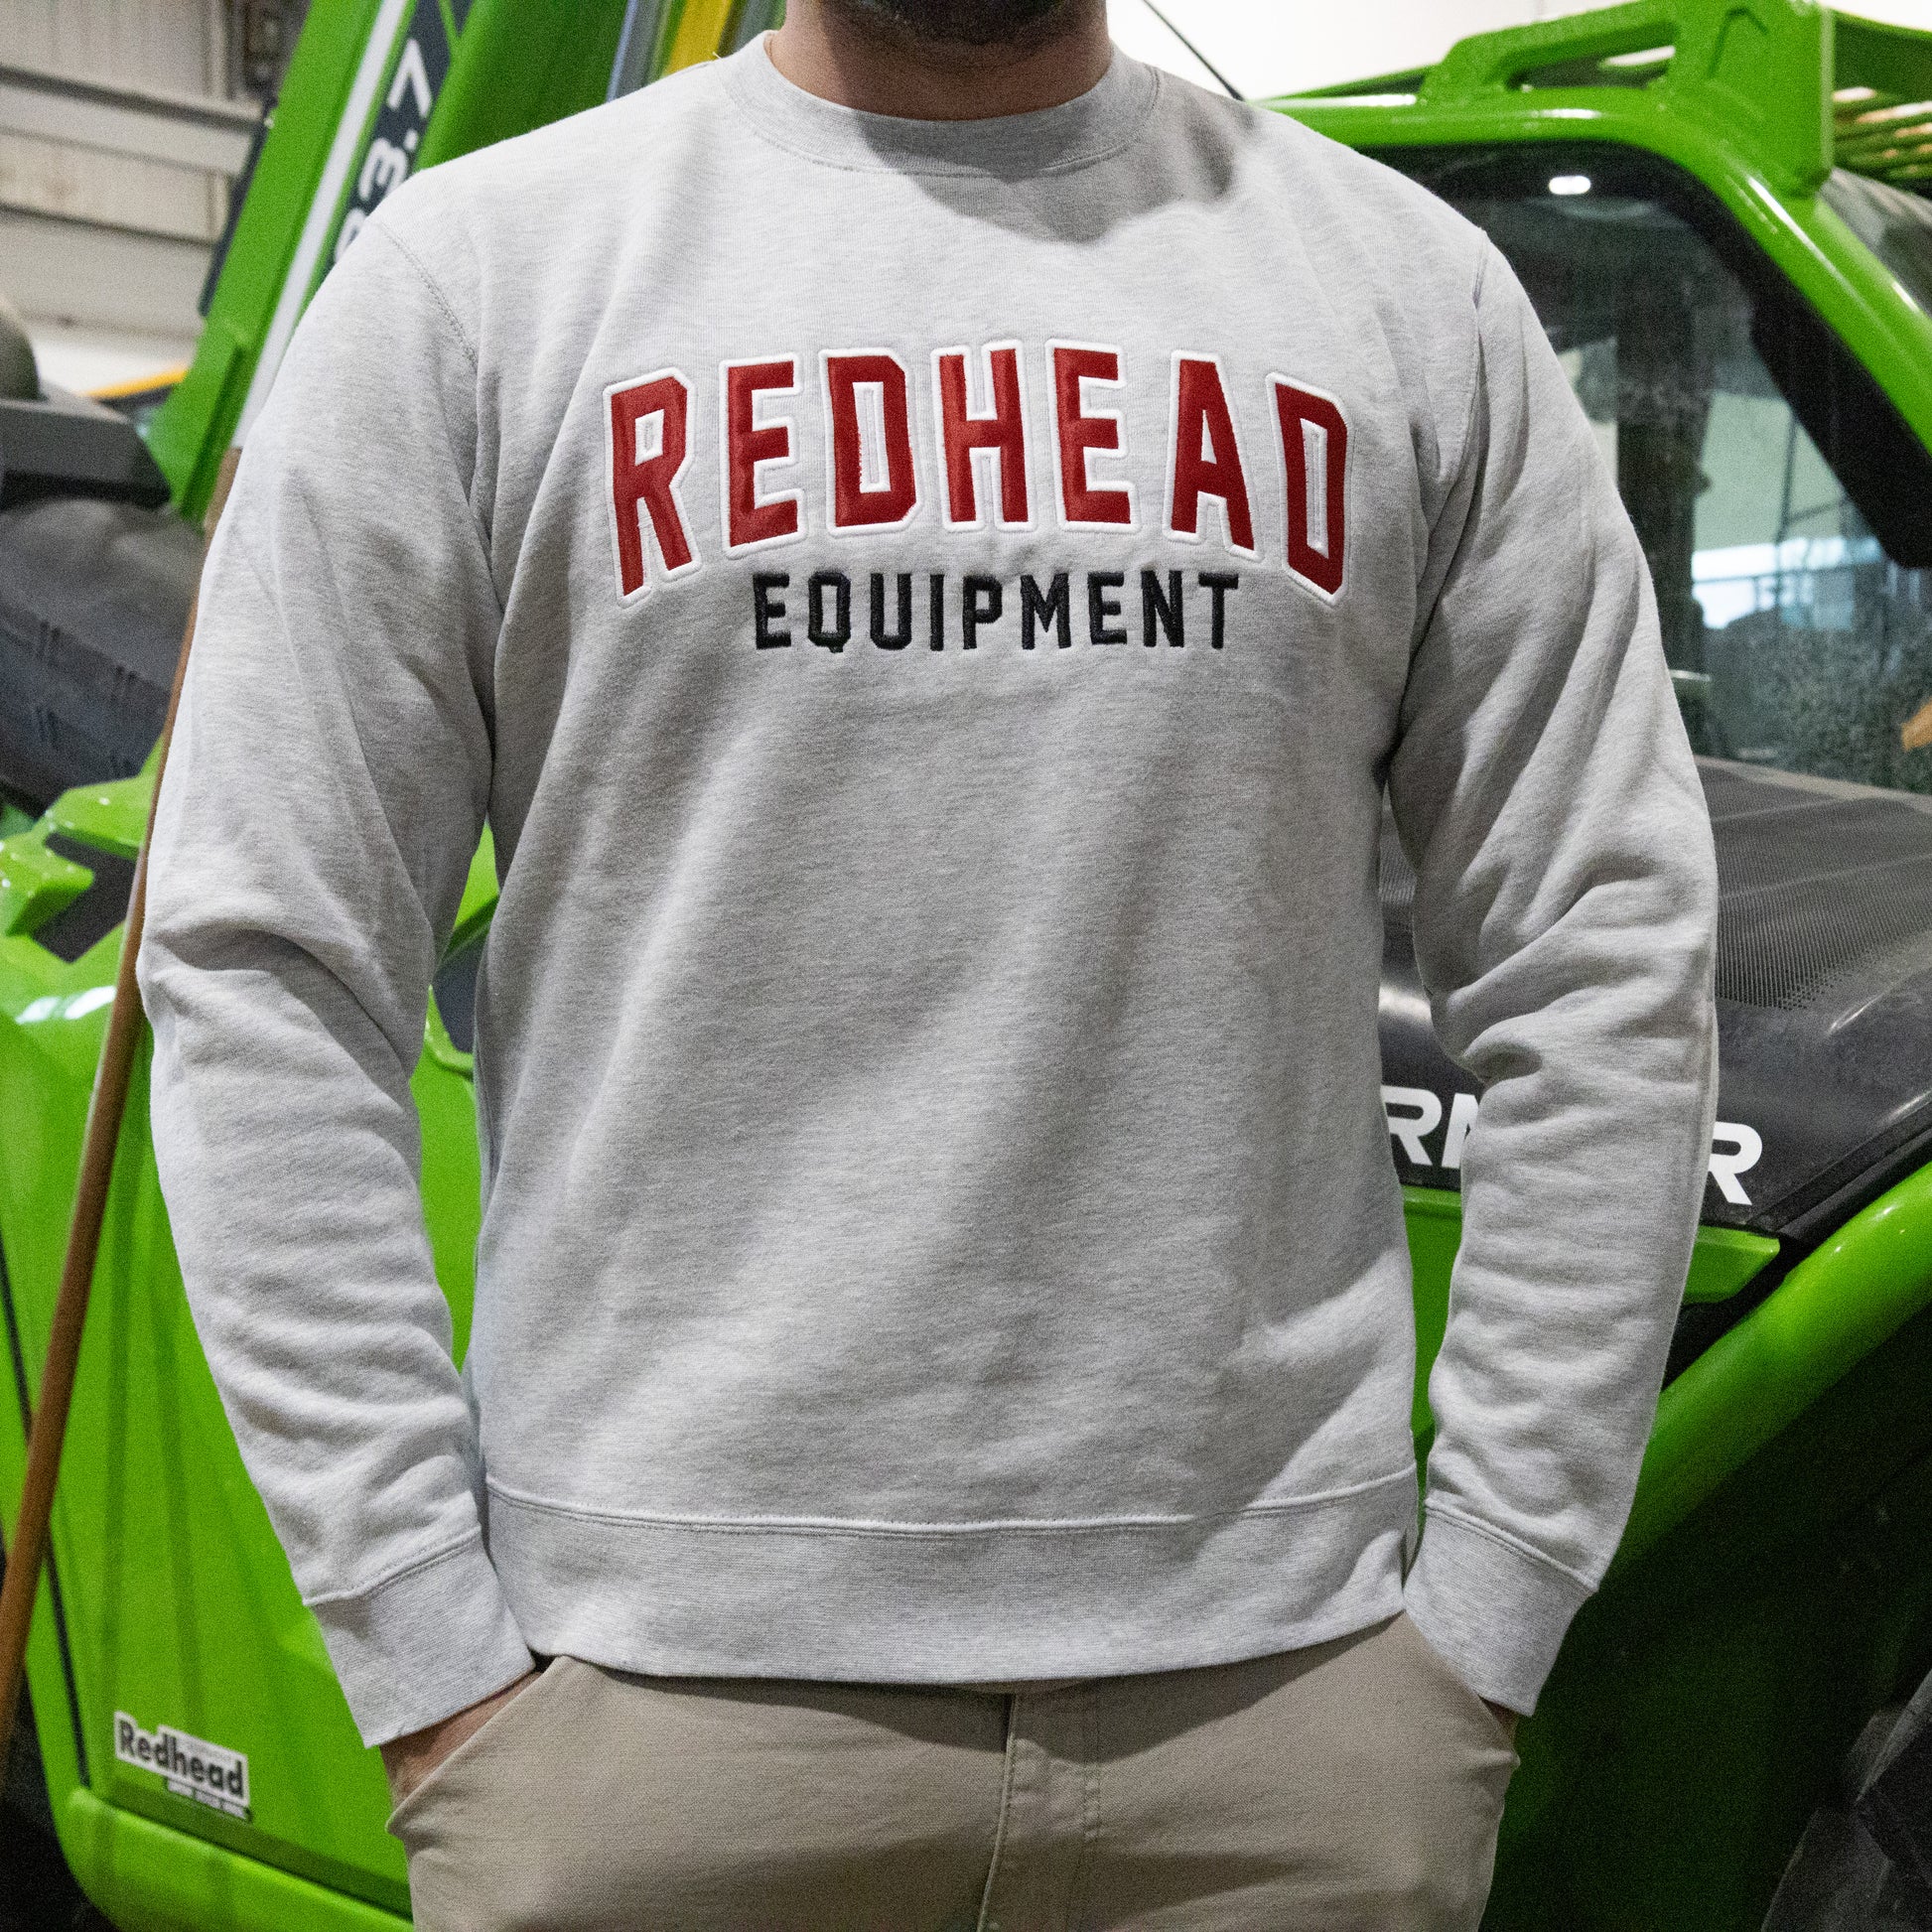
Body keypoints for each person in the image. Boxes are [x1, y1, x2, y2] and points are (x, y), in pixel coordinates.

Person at [135, 0, 1720, 1924]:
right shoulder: (473, 288)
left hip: (1283, 1726)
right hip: (650, 1712)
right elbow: (266, 966)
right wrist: (431, 1657)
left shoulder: (1403, 301)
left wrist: (1484, 1617)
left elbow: (1600, 948)